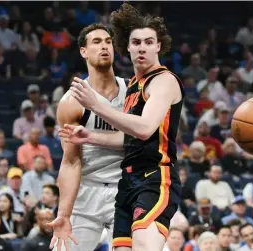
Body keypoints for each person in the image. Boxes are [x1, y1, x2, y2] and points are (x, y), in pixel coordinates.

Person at [59, 3, 184, 251]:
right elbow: (129, 139)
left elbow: (145, 128)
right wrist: (91, 136)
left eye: (149, 42)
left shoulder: (163, 80)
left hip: (154, 176)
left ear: (158, 46)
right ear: (127, 47)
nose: (142, 48)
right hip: (122, 184)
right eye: (136, 42)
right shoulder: (134, 88)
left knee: (145, 246)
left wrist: (96, 104)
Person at [47, 23, 127, 251]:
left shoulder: (132, 93)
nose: (104, 46)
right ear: (83, 51)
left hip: (125, 190)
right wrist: (64, 213)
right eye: (97, 42)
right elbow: (71, 161)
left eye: (108, 42)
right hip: (86, 191)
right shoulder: (71, 101)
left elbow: (143, 140)